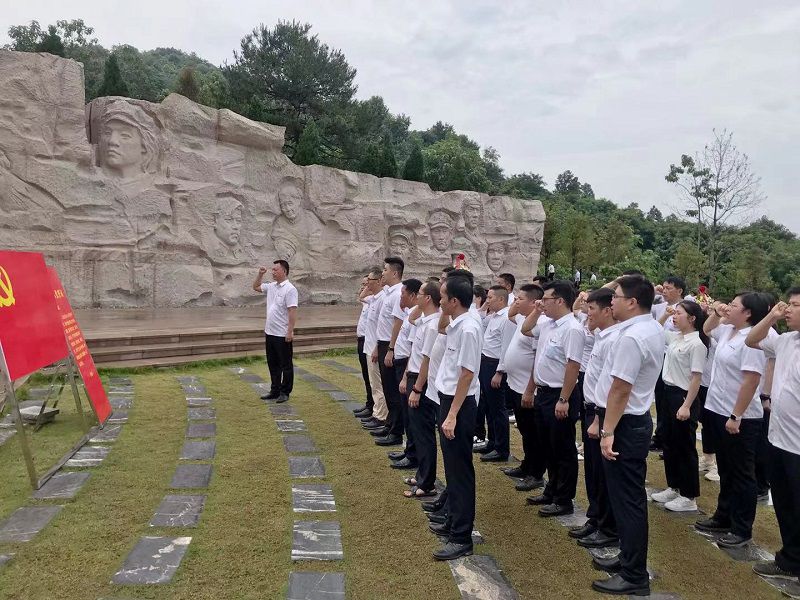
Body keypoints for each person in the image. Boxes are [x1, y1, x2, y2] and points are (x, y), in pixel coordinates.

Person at [591, 275, 664, 596]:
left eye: (616, 297)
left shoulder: (633, 337)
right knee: (625, 500)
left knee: (628, 501)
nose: (611, 302)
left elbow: (620, 388)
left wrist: (607, 431)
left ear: (632, 302)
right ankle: (627, 558)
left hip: (625, 424)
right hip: (630, 421)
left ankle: (634, 575)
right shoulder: (648, 328)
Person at [695, 293, 770, 549]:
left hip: (740, 416)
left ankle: (741, 528)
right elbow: (705, 329)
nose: (730, 307)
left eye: (735, 305)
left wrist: (736, 415)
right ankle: (723, 515)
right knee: (726, 468)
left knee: (741, 473)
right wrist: (717, 312)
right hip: (718, 408)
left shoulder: (752, 340)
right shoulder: (728, 331)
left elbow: (751, 381)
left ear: (748, 313)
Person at [746, 288, 800, 585]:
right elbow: (752, 339)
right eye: (787, 304)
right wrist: (772, 315)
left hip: (798, 446)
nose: (788, 309)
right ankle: (789, 559)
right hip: (779, 439)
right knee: (784, 504)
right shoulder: (786, 341)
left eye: (794, 305)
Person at [429, 274, 483, 561]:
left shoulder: (469, 329)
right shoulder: (457, 323)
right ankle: (453, 520)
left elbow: (466, 374)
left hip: (458, 406)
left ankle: (461, 537)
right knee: (452, 468)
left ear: (455, 301)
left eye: (443, 296)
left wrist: (451, 415)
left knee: (460, 471)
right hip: (449, 400)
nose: (439, 300)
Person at [525, 280, 585, 518]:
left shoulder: (571, 328)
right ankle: (551, 489)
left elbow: (573, 365)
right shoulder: (548, 323)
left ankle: (563, 498)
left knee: (563, 449)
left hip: (560, 394)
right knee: (547, 445)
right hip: (544, 392)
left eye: (546, 299)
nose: (542, 302)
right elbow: (525, 329)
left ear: (560, 301)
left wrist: (564, 399)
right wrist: (537, 309)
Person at [570, 288, 620, 549]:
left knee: (602, 473)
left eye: (591, 309)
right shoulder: (602, 335)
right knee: (591, 470)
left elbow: (613, 385)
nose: (586, 313)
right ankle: (595, 517)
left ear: (607, 311)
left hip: (601, 412)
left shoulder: (614, 340)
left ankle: (608, 526)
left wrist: (599, 419)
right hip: (591, 407)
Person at [650, 301, 708, 512]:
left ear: (692, 318)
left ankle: (689, 495)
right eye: (674, 313)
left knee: (685, 446)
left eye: (679, 314)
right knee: (669, 441)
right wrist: (665, 315)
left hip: (683, 396)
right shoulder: (676, 338)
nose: (675, 316)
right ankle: (674, 486)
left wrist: (686, 405)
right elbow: (656, 328)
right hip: (667, 393)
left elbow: (696, 378)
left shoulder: (697, 344)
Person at [402, 280, 442, 497]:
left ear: (427, 298)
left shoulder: (433, 325)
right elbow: (411, 317)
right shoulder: (424, 320)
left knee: (424, 432)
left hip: (422, 380)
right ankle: (422, 475)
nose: (415, 297)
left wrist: (417, 388)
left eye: (421, 294)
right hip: (414, 376)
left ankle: (427, 483)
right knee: (418, 431)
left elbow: (426, 359)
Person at [477, 286, 516, 462]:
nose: (488, 300)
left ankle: (501, 448)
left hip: (495, 365)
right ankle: (492, 442)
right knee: (489, 407)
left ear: (501, 299)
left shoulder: (506, 318)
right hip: (486, 362)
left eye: (491, 297)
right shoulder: (493, 315)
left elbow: (506, 347)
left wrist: (500, 372)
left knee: (498, 409)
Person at [252, 260, 298, 404]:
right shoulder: (272, 286)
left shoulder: (290, 289)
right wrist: (260, 274)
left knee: (286, 364)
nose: (273, 272)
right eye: (272, 270)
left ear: (284, 271)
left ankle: (285, 392)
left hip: (282, 333)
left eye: (275, 270)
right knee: (273, 363)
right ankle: (275, 389)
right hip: (270, 332)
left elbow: (292, 311)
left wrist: (290, 331)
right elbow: (256, 287)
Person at [389, 278, 422, 469]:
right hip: (403, 364)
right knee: (407, 413)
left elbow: (413, 350)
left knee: (411, 416)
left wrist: (404, 377)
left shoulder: (416, 317)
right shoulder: (410, 313)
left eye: (403, 294)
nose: (400, 296)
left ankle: (413, 455)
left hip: (408, 368)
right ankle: (409, 450)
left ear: (413, 295)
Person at [375, 257, 405, 446]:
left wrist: (391, 349)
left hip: (390, 344)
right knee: (387, 388)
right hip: (383, 343)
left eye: (385, 270)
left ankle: (396, 432)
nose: (382, 273)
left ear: (394, 273)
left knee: (393, 392)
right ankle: (389, 424)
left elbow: (398, 322)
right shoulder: (388, 292)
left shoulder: (397, 294)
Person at [360, 268, 390, 435]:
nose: (367, 283)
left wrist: (377, 348)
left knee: (378, 384)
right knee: (373, 383)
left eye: (370, 280)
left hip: (375, 348)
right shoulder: (374, 298)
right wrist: (368, 287)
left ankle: (381, 416)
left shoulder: (382, 299)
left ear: (379, 281)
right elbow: (361, 297)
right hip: (369, 346)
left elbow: (383, 328)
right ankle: (376, 413)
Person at [353, 275, 376, 418]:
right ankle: (369, 403)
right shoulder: (367, 302)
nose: (363, 287)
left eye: (366, 284)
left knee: (371, 377)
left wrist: (367, 290)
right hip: (361, 340)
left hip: (369, 341)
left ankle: (373, 406)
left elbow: (361, 296)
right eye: (362, 284)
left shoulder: (374, 301)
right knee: (366, 375)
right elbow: (360, 297)